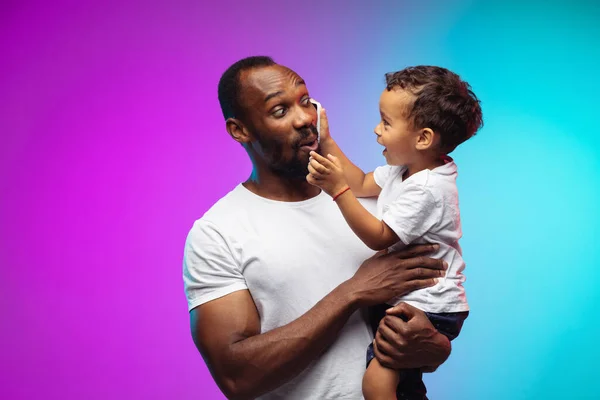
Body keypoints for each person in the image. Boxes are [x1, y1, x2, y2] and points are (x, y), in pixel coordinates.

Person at [183, 56, 453, 400]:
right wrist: (352, 292)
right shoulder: (218, 232)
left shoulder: (377, 202)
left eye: (306, 101)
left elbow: (430, 309)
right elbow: (237, 378)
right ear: (240, 130)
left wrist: (435, 345)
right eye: (280, 111)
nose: (304, 119)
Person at [306, 65, 483, 399]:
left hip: (430, 307)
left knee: (377, 383)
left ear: (423, 138)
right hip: (418, 300)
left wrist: (336, 190)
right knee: (400, 385)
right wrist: (327, 141)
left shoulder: (428, 188)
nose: (376, 130)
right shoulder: (407, 170)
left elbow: (379, 235)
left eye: (386, 123)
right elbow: (361, 182)